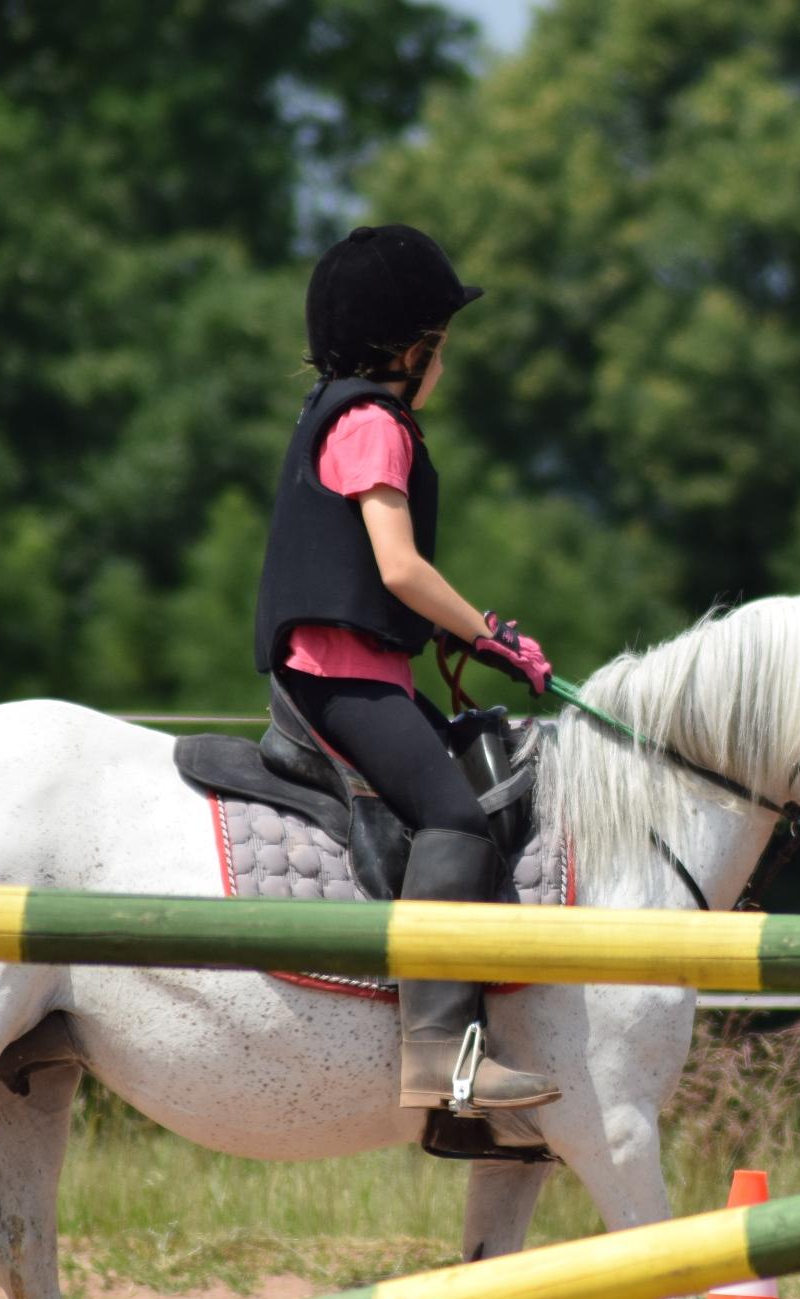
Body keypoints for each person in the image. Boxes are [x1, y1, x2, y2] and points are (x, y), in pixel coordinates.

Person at [253, 223, 560, 1124]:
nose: (445, 365)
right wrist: (492, 635)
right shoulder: (375, 425)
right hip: (341, 679)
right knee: (456, 817)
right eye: (443, 346)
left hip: (363, 669)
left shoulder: (337, 411)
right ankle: (438, 1057)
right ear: (412, 350)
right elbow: (400, 569)